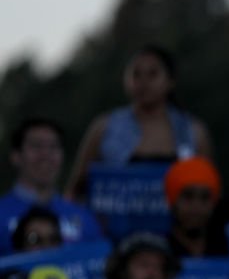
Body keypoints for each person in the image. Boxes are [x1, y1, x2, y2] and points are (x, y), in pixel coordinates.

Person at [66, 44, 213, 198]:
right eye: (136, 74)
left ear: (170, 81)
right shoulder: (104, 128)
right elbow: (76, 188)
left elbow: (208, 190)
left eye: (152, 74)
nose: (143, 82)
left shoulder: (193, 132)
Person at [0, 118, 104, 254]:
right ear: (16, 156)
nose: (45, 155)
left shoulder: (84, 219)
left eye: (53, 147)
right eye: (36, 146)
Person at [163, 155, 229, 258]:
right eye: (188, 196)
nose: (196, 206)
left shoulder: (228, 248)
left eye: (205, 198)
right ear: (172, 201)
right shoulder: (160, 252)